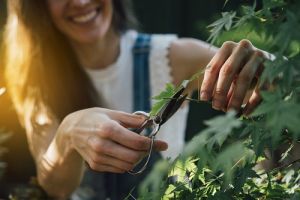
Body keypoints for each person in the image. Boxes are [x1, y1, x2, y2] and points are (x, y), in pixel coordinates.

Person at [2, 0, 265, 199]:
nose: (81, 2)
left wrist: (264, 67)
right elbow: (55, 188)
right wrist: (67, 134)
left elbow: (273, 83)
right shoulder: (35, 76)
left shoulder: (173, 57)